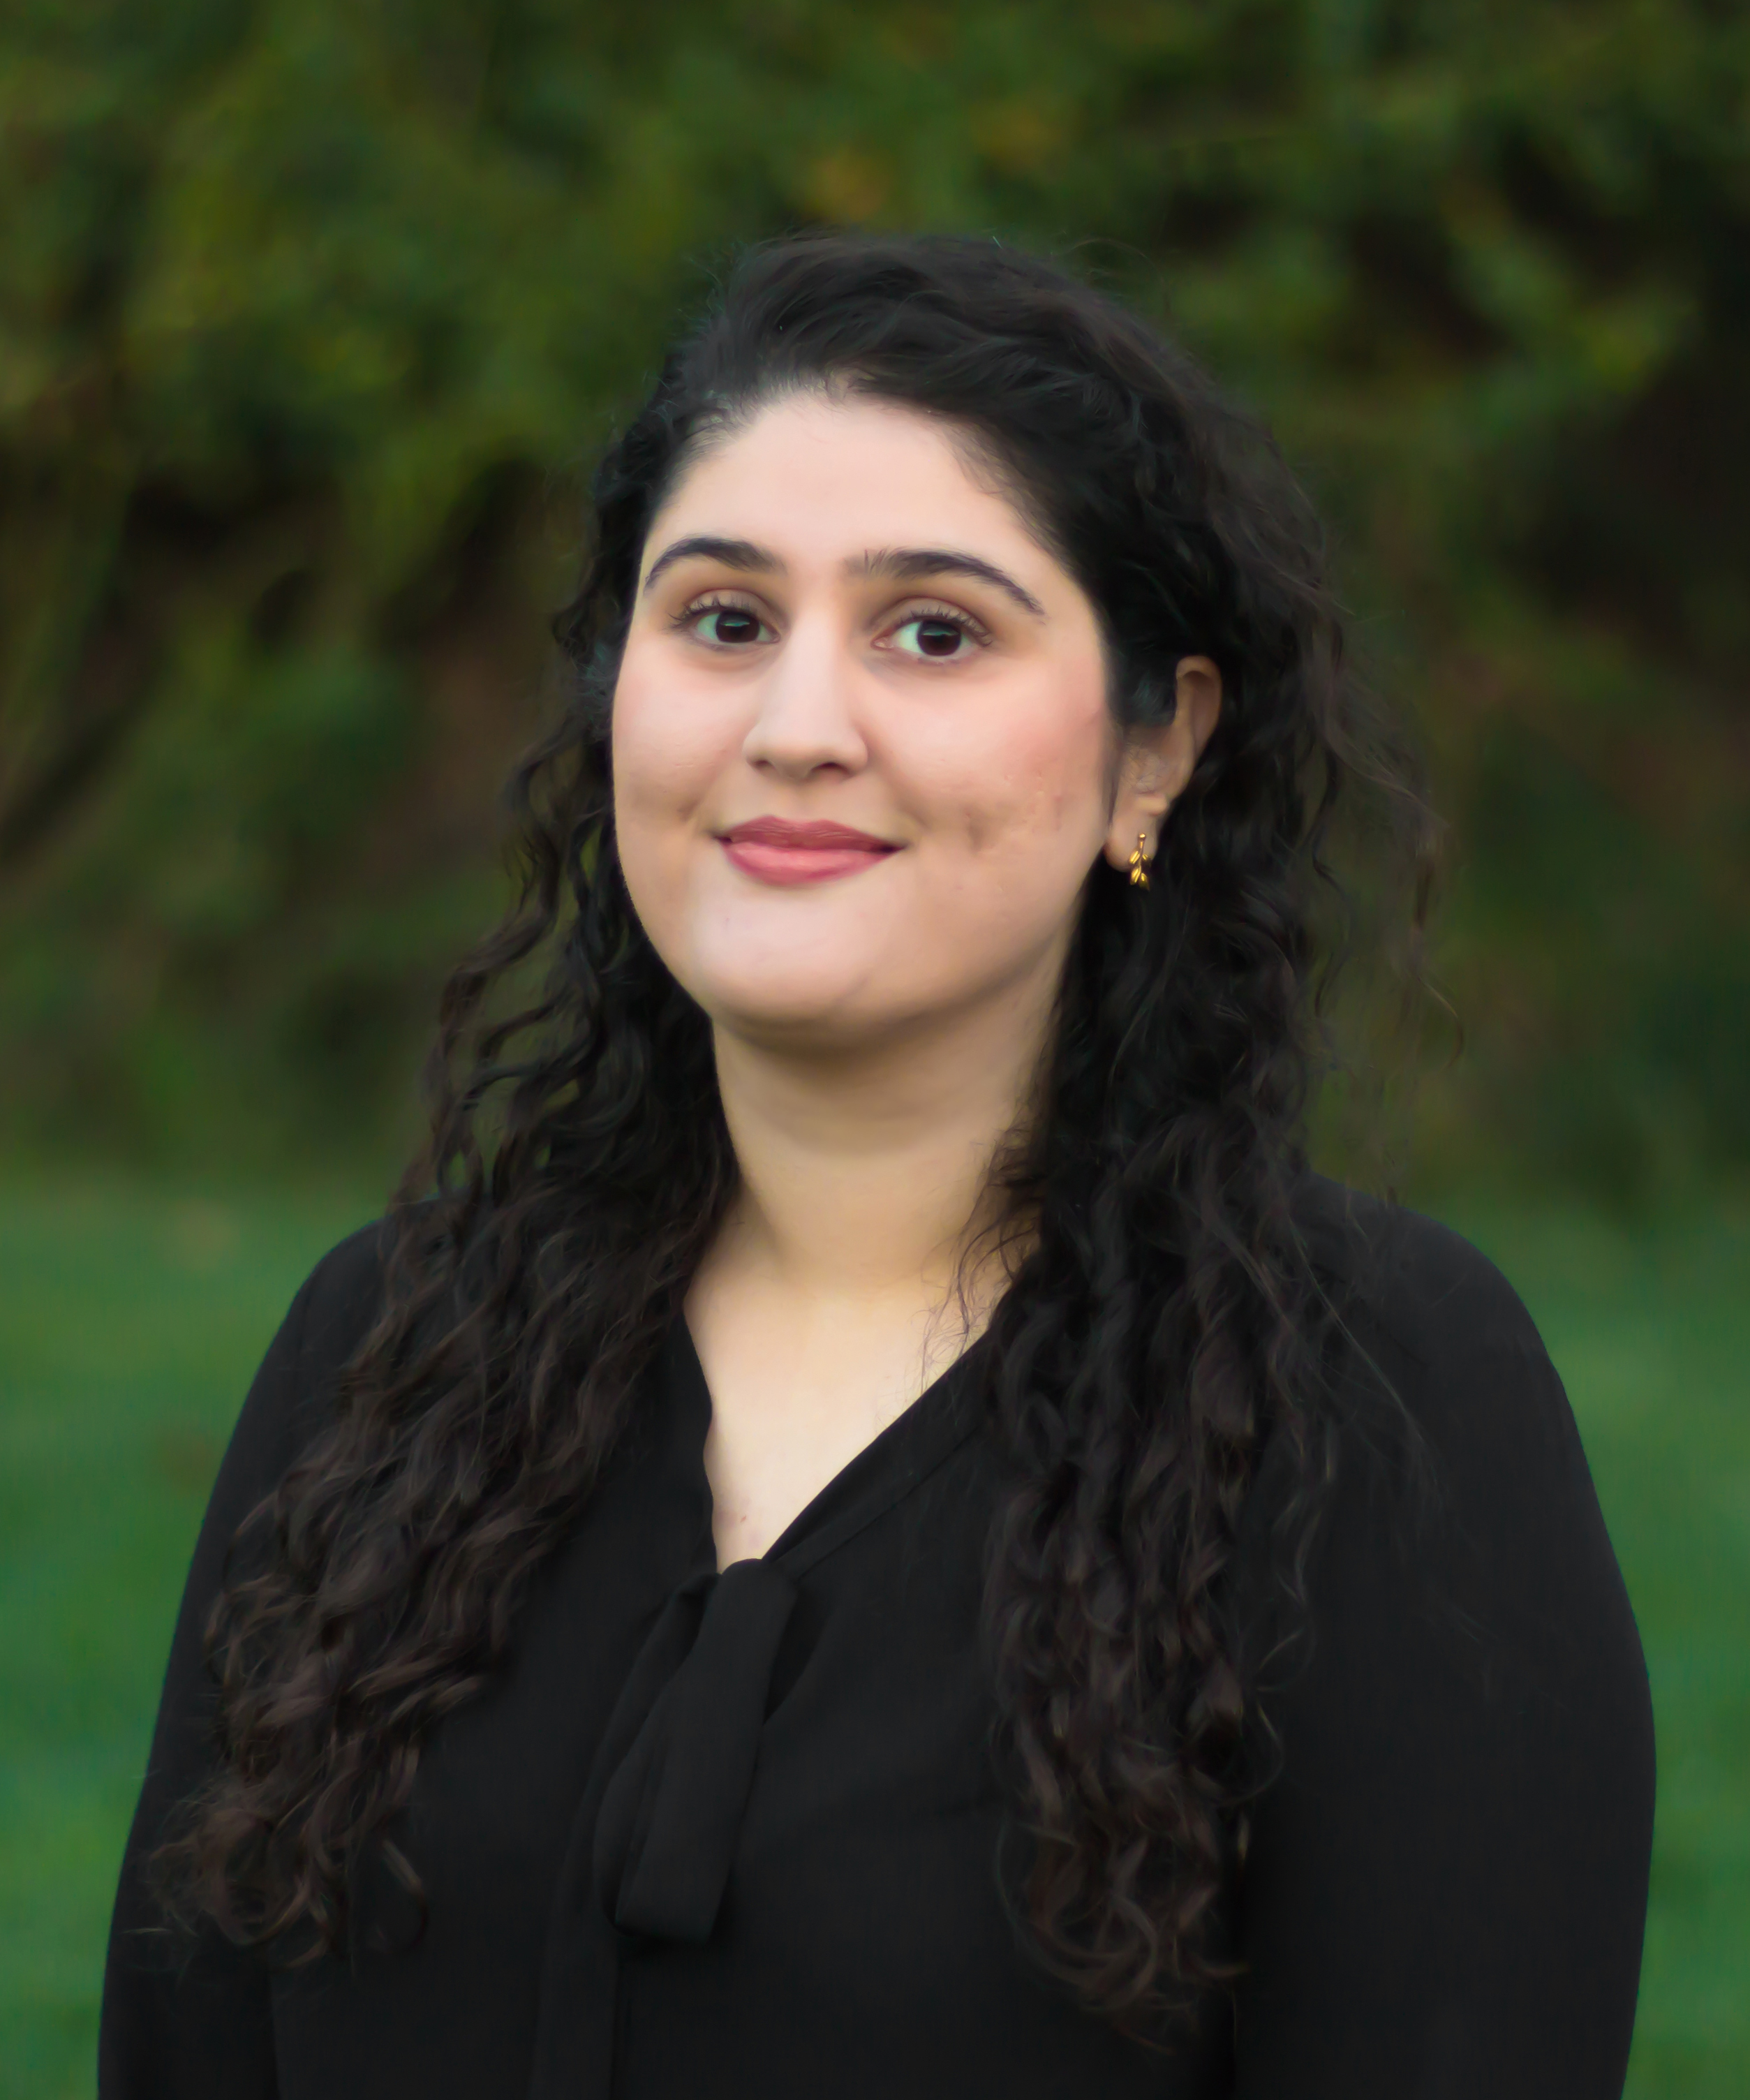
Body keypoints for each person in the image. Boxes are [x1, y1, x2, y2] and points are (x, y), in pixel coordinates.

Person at [99, 232, 1654, 2099]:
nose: (796, 729)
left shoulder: (1375, 1404)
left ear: (1154, 754)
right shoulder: (389, 1351)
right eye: (722, 620)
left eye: (934, 631)